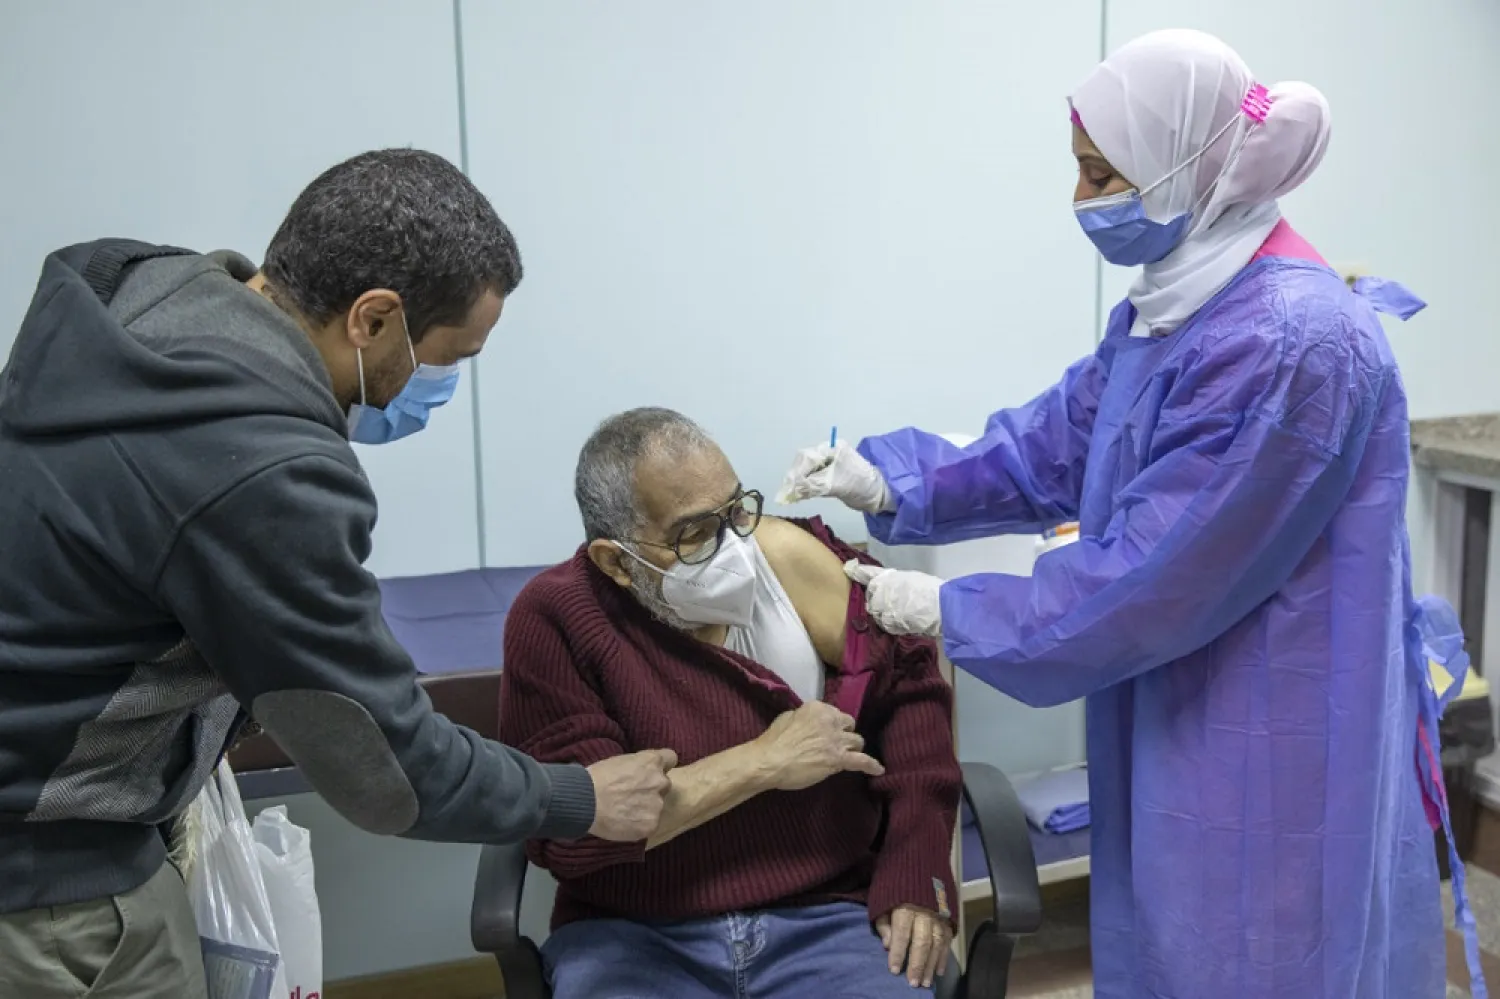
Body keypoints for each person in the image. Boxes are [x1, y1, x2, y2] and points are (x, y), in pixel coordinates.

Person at [781, 29, 1460, 999]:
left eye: (1103, 175)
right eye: (1081, 172)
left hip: (1275, 717)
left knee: (1258, 952)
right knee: (1169, 939)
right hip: (1177, 691)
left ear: (1185, 162)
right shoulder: (1176, 306)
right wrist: (892, 480)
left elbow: (1164, 566)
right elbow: (1056, 442)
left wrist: (955, 612)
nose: (1083, 201)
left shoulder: (1291, 341)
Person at [0, 149, 675, 999]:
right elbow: (390, 772)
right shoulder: (267, 471)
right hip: (53, 892)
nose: (445, 384)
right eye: (451, 356)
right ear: (374, 319)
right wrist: (576, 798)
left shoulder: (138, 294)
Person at [499, 408, 962, 998]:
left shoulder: (794, 560)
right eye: (694, 534)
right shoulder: (555, 619)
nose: (732, 548)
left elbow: (913, 694)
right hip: (634, 934)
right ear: (616, 561)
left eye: (737, 510)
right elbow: (574, 834)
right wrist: (765, 762)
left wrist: (917, 869)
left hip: (825, 913)